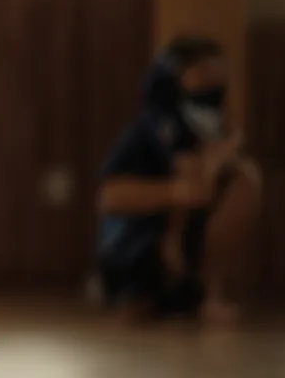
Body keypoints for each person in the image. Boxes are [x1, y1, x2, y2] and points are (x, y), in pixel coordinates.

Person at [95, 37, 261, 325]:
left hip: (182, 241)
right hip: (138, 245)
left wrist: (212, 165)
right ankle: (139, 290)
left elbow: (202, 191)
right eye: (202, 80)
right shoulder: (147, 132)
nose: (212, 93)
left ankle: (203, 293)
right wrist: (174, 193)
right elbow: (109, 196)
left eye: (217, 84)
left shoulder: (211, 133)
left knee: (245, 178)